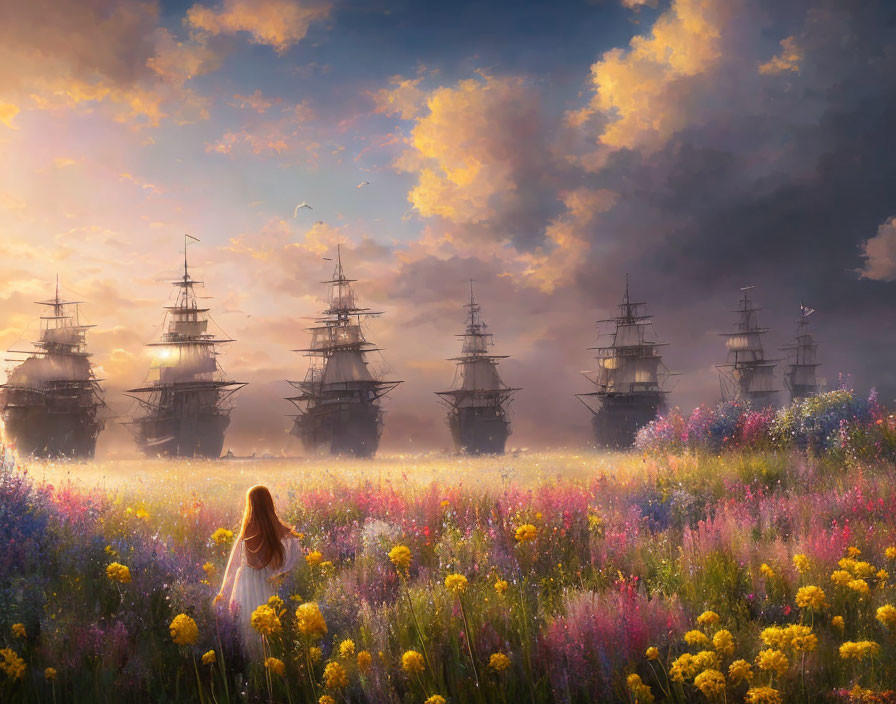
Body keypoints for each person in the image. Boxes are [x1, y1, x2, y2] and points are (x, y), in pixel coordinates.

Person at [215, 485, 301, 653]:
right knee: (270, 633)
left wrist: (222, 593)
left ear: (250, 505)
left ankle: (254, 672)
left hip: (245, 590)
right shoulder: (281, 532)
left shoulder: (246, 532)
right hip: (267, 587)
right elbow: (294, 562)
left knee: (248, 633)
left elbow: (233, 568)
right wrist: (279, 575)